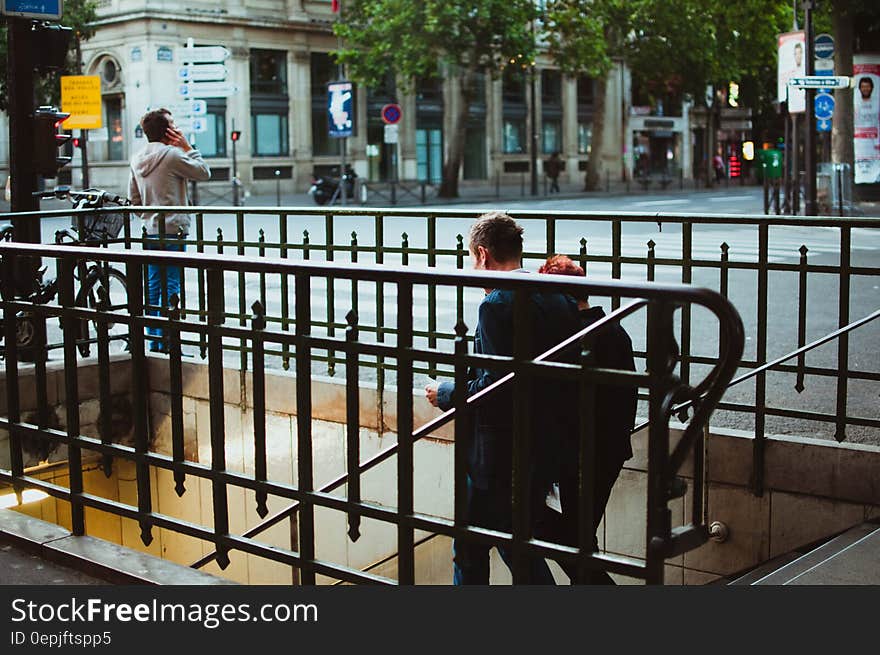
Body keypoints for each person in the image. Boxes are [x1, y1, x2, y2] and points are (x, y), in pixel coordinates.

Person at [424, 211, 581, 585]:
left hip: (497, 455)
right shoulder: (555, 294)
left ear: (482, 255)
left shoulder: (495, 304)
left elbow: (496, 388)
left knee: (470, 549)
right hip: (544, 446)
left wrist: (445, 392)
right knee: (516, 545)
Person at [536, 254, 637, 585]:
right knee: (579, 539)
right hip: (607, 449)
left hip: (581, 453)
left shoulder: (573, 336)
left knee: (569, 541)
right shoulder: (612, 329)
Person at [129, 108, 211, 352]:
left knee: (154, 287)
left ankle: (155, 341)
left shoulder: (136, 158)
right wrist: (187, 146)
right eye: (173, 125)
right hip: (173, 230)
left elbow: (133, 200)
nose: (177, 129)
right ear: (167, 131)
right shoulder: (173, 155)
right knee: (172, 285)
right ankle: (169, 343)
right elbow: (204, 173)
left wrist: (150, 216)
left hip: (151, 231)